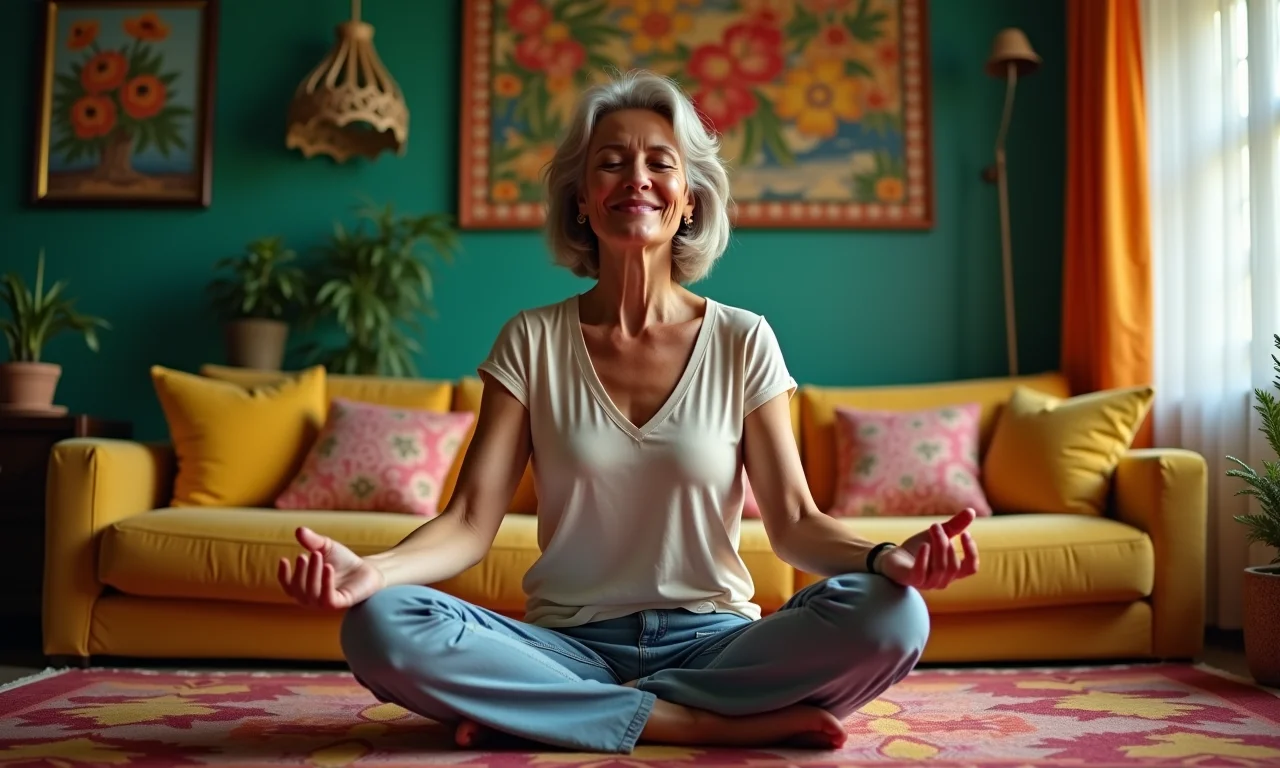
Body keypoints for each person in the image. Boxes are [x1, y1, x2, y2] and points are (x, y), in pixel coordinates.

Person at [277, 69, 979, 755]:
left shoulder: (743, 339)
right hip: (562, 648)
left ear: (690, 199)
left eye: (659, 163)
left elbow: (795, 525)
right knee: (381, 625)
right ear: (582, 200)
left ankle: (552, 717)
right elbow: (467, 523)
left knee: (893, 617)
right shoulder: (531, 338)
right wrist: (375, 571)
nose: (636, 178)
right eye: (611, 164)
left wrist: (889, 558)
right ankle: (692, 724)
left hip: (715, 643)